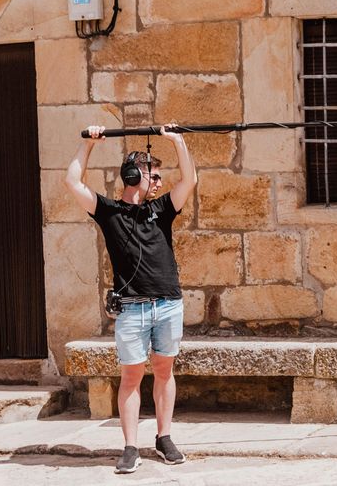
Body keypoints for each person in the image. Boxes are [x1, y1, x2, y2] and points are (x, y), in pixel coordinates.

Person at [64, 124, 197, 473]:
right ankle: (129, 446)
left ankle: (164, 437)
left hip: (168, 304)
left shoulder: (163, 209)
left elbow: (189, 183)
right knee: (131, 377)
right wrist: (88, 145)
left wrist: (178, 141)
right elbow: (73, 183)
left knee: (164, 371)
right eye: (153, 176)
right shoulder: (108, 212)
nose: (159, 183)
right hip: (132, 309)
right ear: (134, 175)